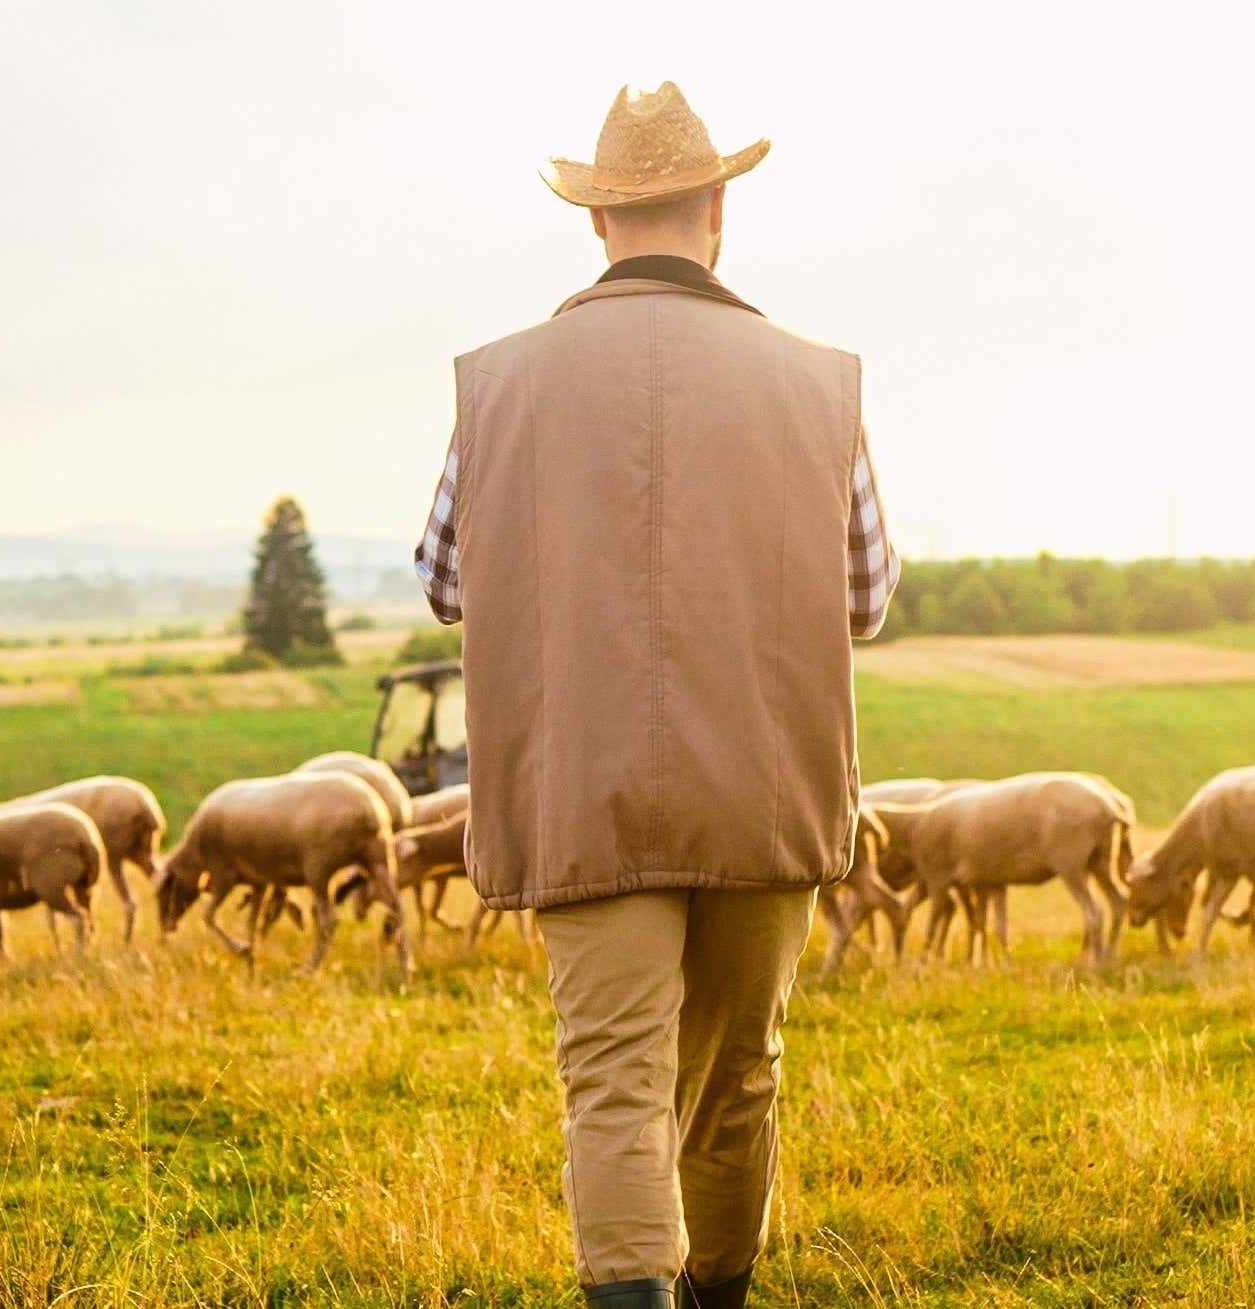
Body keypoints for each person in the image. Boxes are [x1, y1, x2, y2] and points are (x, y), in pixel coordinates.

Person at [415, 82, 894, 1309]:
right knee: (741, 1069)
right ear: (718, 207)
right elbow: (867, 596)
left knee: (614, 1077)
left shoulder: (500, 384)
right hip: (763, 783)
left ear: (596, 220)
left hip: (582, 782)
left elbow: (446, 583)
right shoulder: (816, 382)